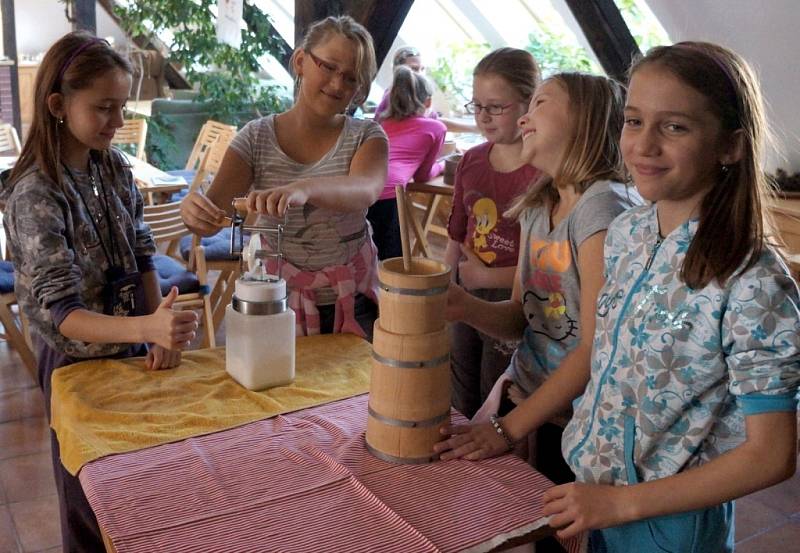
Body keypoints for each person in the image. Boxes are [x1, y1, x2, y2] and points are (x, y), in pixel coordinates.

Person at [563, 43, 797, 552]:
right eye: (633, 120)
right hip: (599, 497)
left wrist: (623, 504)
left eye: (675, 127)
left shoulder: (752, 279)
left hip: (669, 525)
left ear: (731, 145)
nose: (643, 145)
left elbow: (772, 455)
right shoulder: (626, 232)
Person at [0, 31, 198, 552]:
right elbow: (62, 313)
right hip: (73, 362)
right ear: (58, 105)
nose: (117, 122)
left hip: (132, 340)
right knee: (88, 498)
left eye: (122, 107)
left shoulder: (112, 167)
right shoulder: (36, 191)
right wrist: (148, 327)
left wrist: (158, 331)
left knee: (139, 480)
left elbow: (140, 253)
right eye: (104, 108)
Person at [436, 73, 638, 487]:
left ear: (584, 121)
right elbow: (521, 317)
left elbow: (594, 348)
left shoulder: (602, 210)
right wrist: (463, 305)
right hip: (529, 399)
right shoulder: (538, 202)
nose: (525, 118)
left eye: (540, 104)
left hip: (577, 419)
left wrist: (503, 430)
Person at [180, 16, 387, 341]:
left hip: (352, 298)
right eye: (329, 67)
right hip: (274, 299)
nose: (336, 85)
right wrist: (194, 214)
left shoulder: (367, 135)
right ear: (301, 61)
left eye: (350, 79)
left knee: (353, 391)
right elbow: (215, 213)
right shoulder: (256, 138)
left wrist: (303, 188)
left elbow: (365, 189)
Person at [443, 48, 541, 419]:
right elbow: (456, 229)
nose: (483, 116)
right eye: (477, 105)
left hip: (513, 298)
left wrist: (486, 275)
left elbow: (547, 261)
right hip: (466, 287)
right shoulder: (471, 160)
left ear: (528, 104)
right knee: (460, 384)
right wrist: (445, 282)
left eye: (495, 107)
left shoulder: (539, 172)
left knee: (493, 392)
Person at [368, 65, 446, 260]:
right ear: (428, 102)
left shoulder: (384, 122)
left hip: (360, 187)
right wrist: (444, 165)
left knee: (363, 254)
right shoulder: (436, 128)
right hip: (388, 194)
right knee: (390, 261)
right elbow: (422, 175)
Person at [374, 45, 477, 133]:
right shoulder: (393, 96)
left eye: (422, 69)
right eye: (414, 69)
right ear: (398, 70)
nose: (420, 74)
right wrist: (474, 129)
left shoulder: (416, 93)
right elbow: (435, 124)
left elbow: (434, 121)